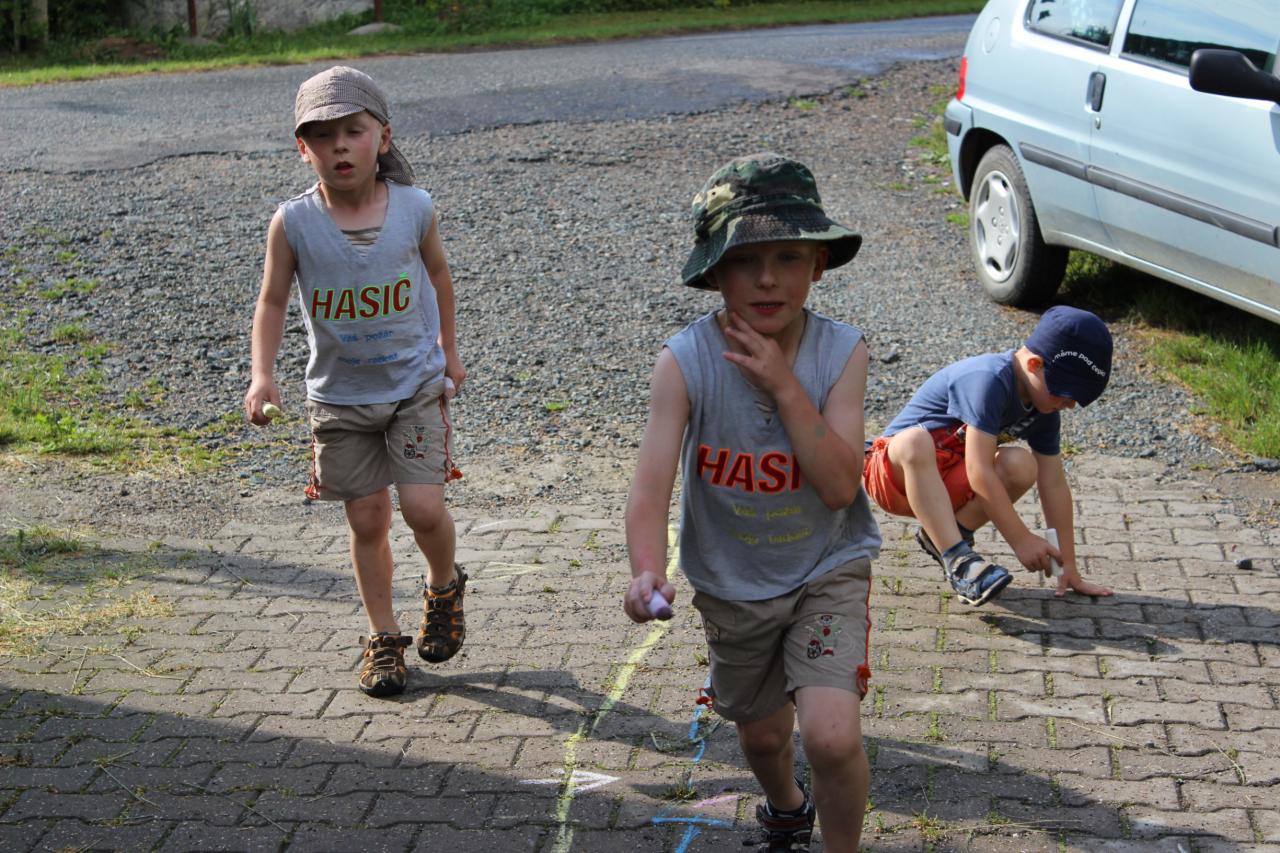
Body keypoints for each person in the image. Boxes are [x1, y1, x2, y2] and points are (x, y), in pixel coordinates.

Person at [624, 152, 881, 853]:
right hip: (732, 583)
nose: (768, 278)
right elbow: (650, 487)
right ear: (714, 272)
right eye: (745, 261)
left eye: (788, 257)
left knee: (831, 735)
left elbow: (839, 486)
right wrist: (646, 569)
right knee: (764, 737)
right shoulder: (685, 362)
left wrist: (783, 386)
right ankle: (786, 806)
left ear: (818, 265)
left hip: (826, 567)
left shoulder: (841, 353)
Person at [244, 66, 467, 699]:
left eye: (353, 131)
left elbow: (440, 277)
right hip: (339, 398)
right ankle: (384, 637)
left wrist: (450, 352)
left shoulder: (415, 208)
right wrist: (263, 375)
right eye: (322, 135)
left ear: (383, 137)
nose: (339, 146)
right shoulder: (293, 223)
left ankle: (444, 585)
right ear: (302, 148)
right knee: (368, 519)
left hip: (414, 387)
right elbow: (271, 301)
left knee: (423, 509)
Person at [862, 305, 1115, 606]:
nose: (1070, 404)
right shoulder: (989, 378)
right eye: (1066, 392)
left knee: (1021, 464)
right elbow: (979, 470)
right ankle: (958, 559)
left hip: (946, 484)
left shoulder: (1044, 410)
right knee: (915, 441)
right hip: (893, 476)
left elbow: (1054, 484)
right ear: (1034, 364)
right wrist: (1021, 539)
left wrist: (1067, 566)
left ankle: (947, 535)